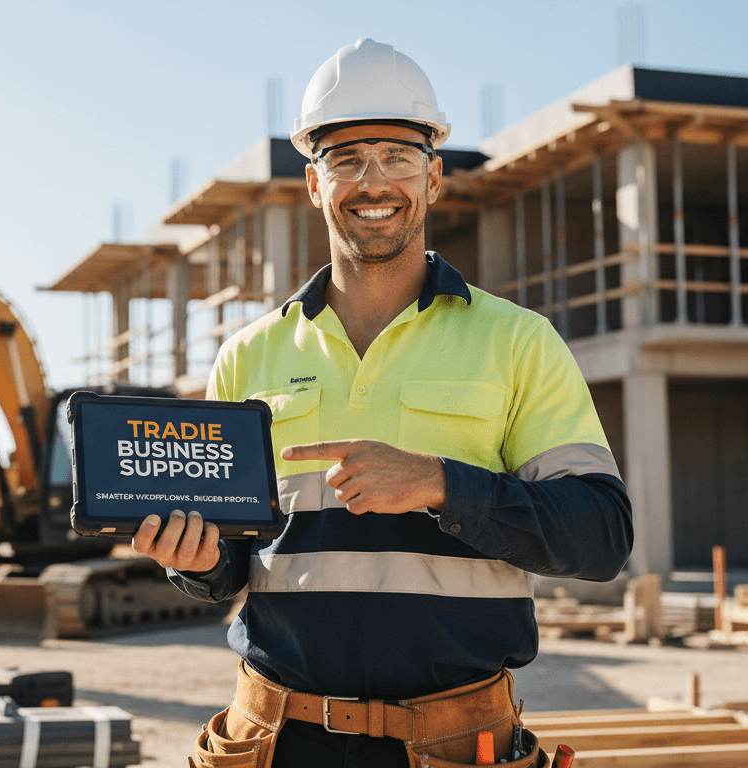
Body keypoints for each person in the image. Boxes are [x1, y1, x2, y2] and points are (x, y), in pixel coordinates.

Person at [133, 39, 633, 768]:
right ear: (313, 184)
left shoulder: (519, 342)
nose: (374, 182)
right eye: (346, 159)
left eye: (398, 157)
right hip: (278, 741)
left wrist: (440, 483)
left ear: (433, 178)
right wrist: (198, 562)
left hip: (458, 745)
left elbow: (601, 536)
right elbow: (234, 562)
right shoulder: (248, 355)